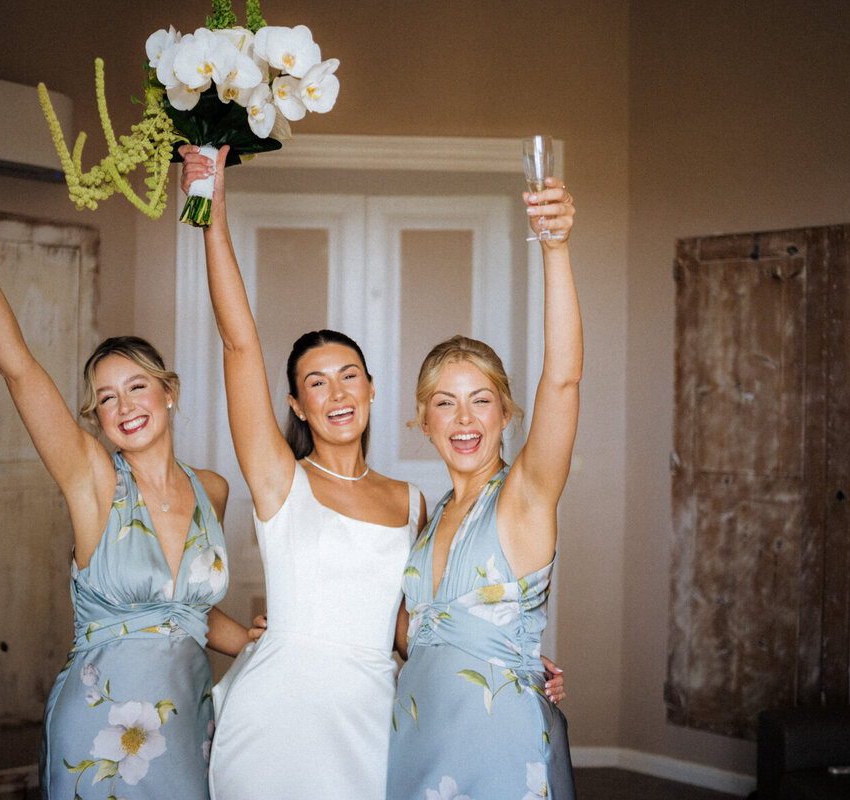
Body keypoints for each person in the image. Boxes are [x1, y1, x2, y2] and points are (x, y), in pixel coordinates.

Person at [179, 147, 566, 799]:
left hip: (375, 717)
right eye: (316, 383)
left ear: (374, 389)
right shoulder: (280, 480)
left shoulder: (416, 502)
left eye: (349, 377)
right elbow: (238, 343)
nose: (336, 395)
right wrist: (212, 211)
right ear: (297, 404)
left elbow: (410, 626)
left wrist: (508, 660)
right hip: (278, 711)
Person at [0, 171, 252, 800]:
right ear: (95, 418)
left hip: (186, 724)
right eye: (105, 398)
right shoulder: (94, 480)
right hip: (100, 731)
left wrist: (272, 642)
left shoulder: (213, 489)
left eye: (137, 387)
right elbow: (18, 368)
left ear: (169, 393)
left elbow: (189, 615)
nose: (124, 406)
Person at [386, 179, 580, 798]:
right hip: (418, 736)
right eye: (445, 403)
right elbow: (411, 631)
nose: (464, 420)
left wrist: (555, 248)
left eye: (481, 401)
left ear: (506, 413)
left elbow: (564, 380)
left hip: (499, 746)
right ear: (423, 420)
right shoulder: (430, 514)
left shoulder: (523, 495)